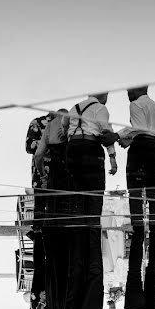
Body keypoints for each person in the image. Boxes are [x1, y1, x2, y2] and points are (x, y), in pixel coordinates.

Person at [63, 92, 120, 226]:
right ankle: (92, 237)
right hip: (90, 148)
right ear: (104, 95)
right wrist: (112, 157)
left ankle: (78, 241)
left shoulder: (74, 107)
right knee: (95, 197)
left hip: (72, 148)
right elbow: (106, 133)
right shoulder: (100, 108)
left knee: (77, 196)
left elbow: (64, 124)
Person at [118, 86, 155, 225]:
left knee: (135, 190)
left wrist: (120, 135)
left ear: (136, 90)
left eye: (129, 91)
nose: (128, 94)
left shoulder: (135, 104)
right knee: (153, 191)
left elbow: (140, 128)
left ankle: (137, 225)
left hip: (142, 148)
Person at [32, 109, 69, 222]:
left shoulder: (49, 126)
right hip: (69, 176)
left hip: (52, 175)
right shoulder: (75, 126)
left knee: (49, 211)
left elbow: (37, 155)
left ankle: (42, 236)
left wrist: (43, 175)